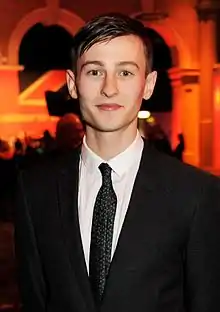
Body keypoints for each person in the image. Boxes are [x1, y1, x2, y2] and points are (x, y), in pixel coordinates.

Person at [14, 13, 220, 312]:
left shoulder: (198, 195)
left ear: (148, 85)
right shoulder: (34, 191)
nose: (109, 88)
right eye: (95, 72)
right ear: (72, 84)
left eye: (125, 73)